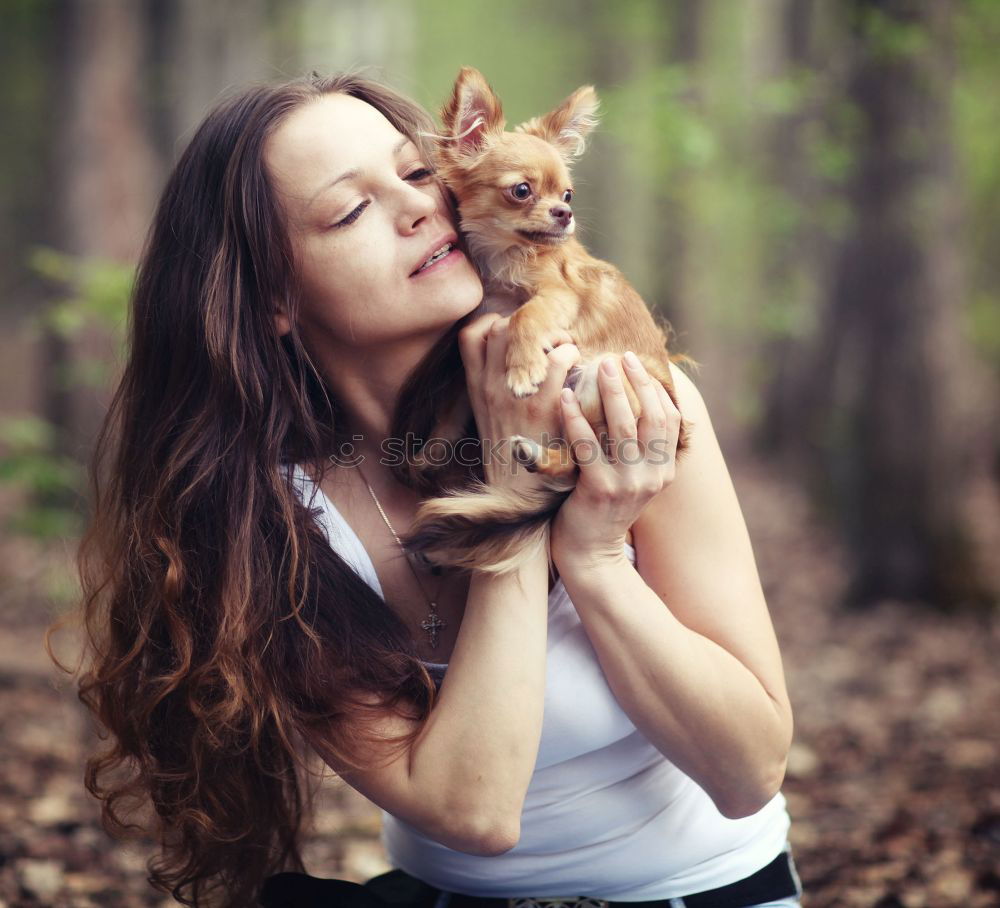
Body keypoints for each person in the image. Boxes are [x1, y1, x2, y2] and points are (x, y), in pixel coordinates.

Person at [69, 71, 801, 908]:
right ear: (273, 295)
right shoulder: (263, 525)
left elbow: (749, 772)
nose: (418, 209)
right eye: (351, 210)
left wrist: (597, 557)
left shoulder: (629, 407)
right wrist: (515, 488)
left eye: (417, 176)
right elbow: (472, 810)